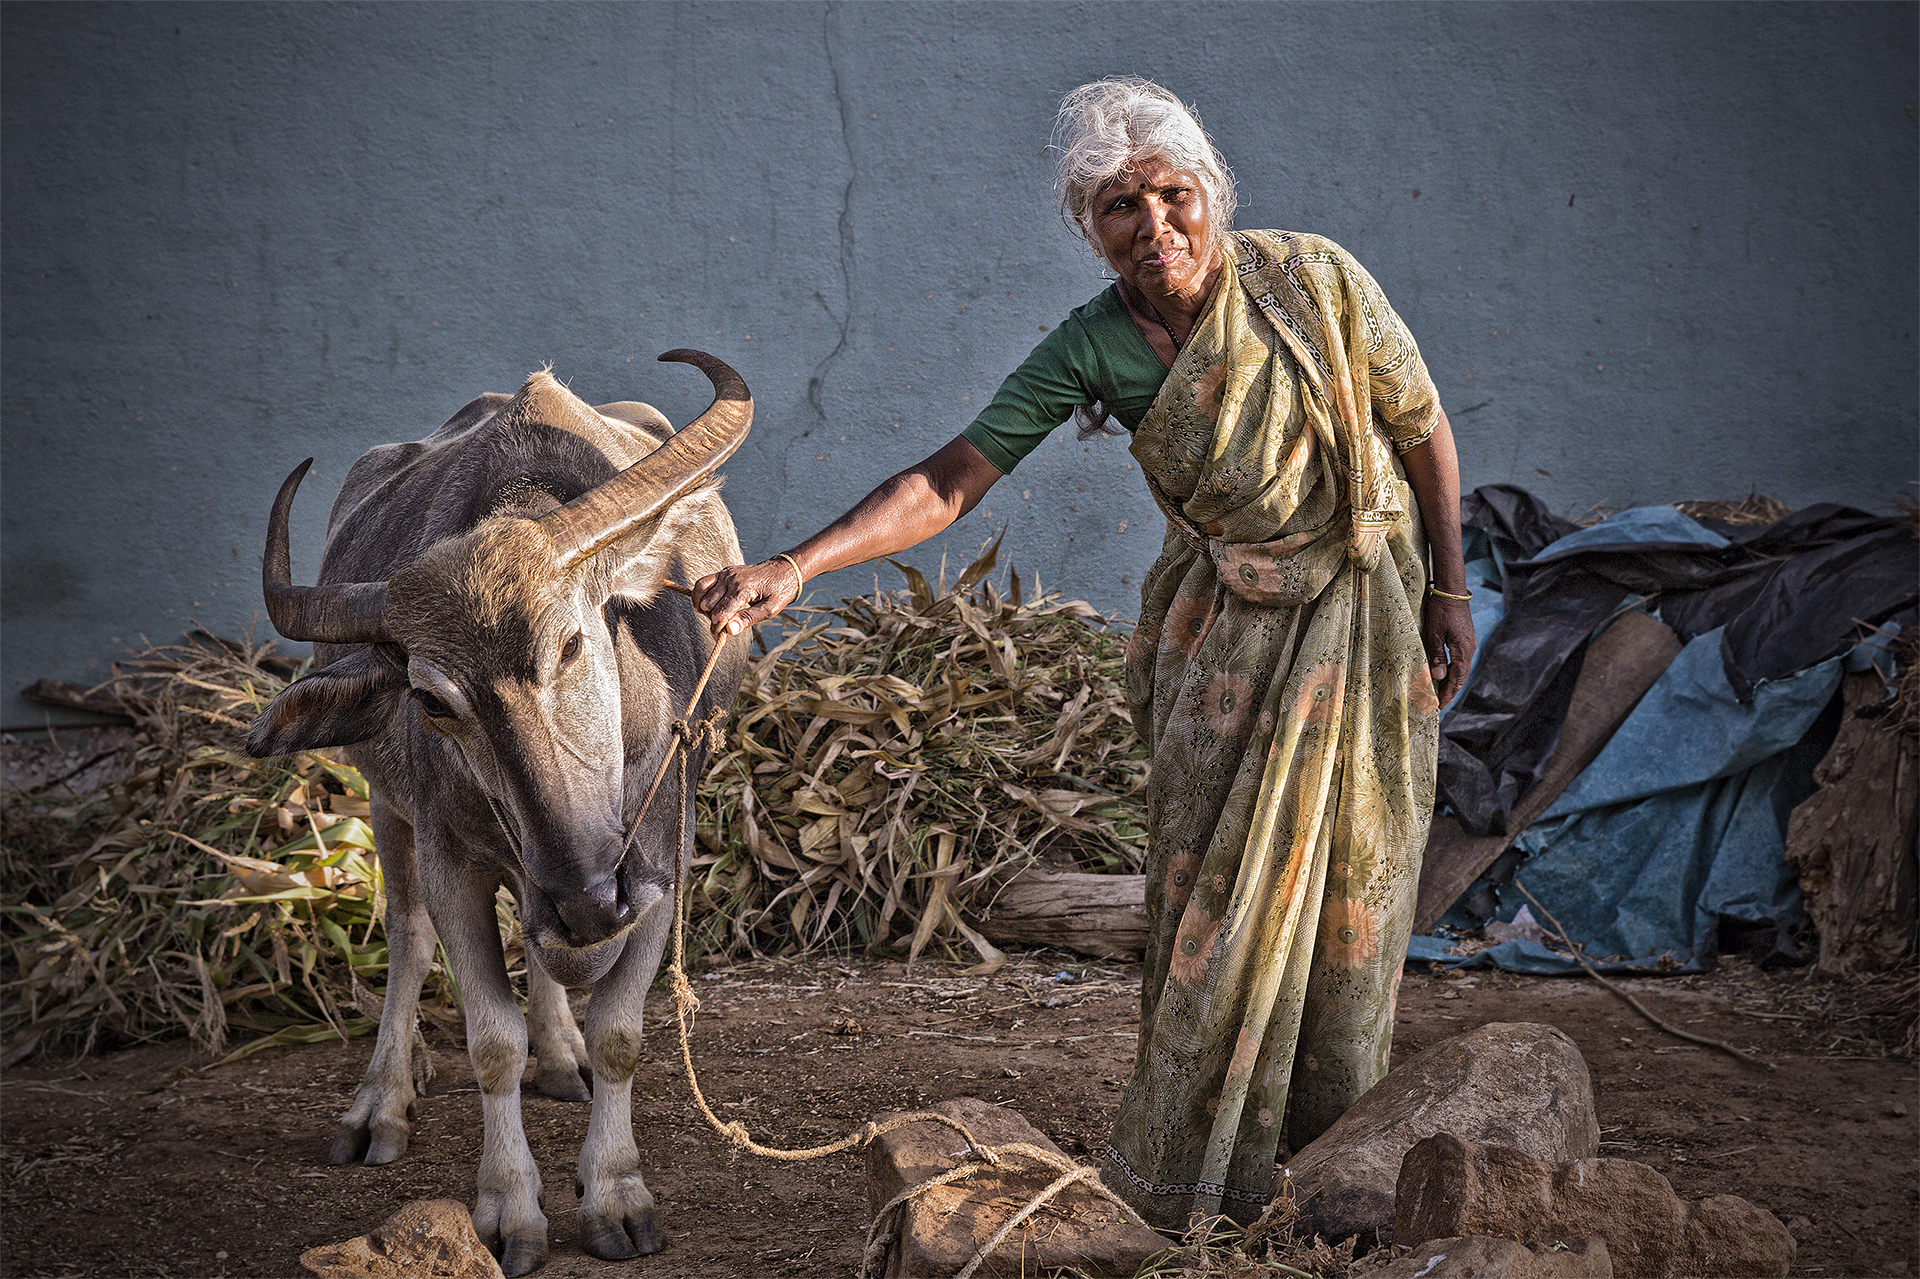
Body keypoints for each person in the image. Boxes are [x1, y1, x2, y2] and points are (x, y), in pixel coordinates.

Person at [692, 77, 1475, 1233]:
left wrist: (1452, 589)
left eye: (1173, 194)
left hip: (1361, 615)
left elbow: (1420, 428)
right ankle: (1198, 1177)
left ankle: (1330, 1158)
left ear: (1213, 196)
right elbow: (952, 478)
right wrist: (796, 568)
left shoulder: (1314, 282)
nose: (1154, 224)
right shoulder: (1094, 348)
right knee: (1208, 895)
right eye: (1120, 206)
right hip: (1225, 633)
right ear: (1088, 228)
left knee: (1350, 897)